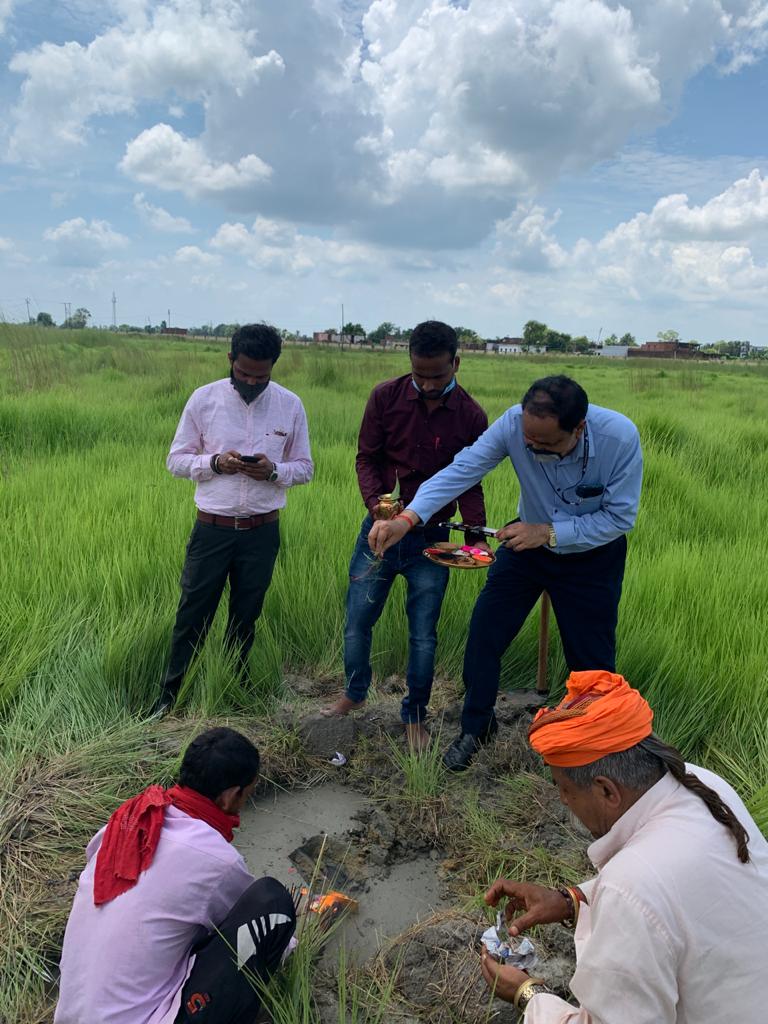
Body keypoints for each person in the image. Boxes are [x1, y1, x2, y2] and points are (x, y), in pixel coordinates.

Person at [368, 375, 642, 770]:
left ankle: (590, 745)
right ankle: (477, 728)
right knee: (484, 636)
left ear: (578, 429)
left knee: (592, 661)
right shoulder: (515, 424)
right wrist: (408, 518)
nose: (533, 447)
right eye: (529, 441)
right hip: (524, 545)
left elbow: (619, 516)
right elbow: (461, 470)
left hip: (592, 556)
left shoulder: (618, 437)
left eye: (546, 444)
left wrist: (549, 533)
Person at [479, 670, 768, 1022]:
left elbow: (642, 893)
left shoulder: (630, 885)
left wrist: (528, 994)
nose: (564, 801)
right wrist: (571, 901)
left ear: (606, 791)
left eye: (563, 787)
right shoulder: (704, 784)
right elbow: (676, 897)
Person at [55, 727, 297, 1024]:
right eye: (248, 793)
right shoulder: (217, 859)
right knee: (273, 903)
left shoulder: (129, 821)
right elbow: (242, 928)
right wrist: (292, 944)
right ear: (232, 795)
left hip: (72, 1013)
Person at [324, 321, 488, 748]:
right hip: (379, 533)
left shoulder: (471, 415)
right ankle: (354, 695)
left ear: (456, 362)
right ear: (410, 363)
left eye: (438, 375)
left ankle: (415, 714)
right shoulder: (385, 396)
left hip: (432, 540)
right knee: (358, 620)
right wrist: (377, 511)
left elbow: (470, 481)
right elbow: (367, 458)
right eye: (420, 375)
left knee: (423, 633)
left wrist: (476, 538)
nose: (429, 385)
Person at [154, 323, 313, 714]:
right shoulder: (204, 399)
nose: (252, 382)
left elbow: (305, 467)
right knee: (193, 615)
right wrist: (215, 463)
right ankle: (169, 698)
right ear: (230, 360)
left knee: (246, 617)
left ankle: (234, 690)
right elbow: (175, 460)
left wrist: (273, 471)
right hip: (213, 529)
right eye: (243, 373)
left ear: (274, 366)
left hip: (262, 532)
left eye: (261, 375)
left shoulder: (289, 404)